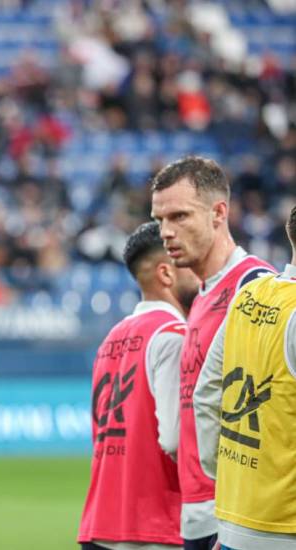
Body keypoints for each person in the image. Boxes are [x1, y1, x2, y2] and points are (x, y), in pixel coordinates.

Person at [150, 156, 274, 550]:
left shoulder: (254, 289)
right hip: (198, 513)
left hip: (231, 515)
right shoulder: (201, 296)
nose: (166, 232)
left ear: (219, 213)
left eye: (180, 216)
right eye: (159, 220)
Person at [78, 222, 200, 550]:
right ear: (166, 273)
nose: (199, 275)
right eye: (189, 265)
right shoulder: (174, 335)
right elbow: (174, 439)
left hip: (100, 523)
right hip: (154, 526)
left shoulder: (111, 338)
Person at [194, 205, 296, 550]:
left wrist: (223, 477)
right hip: (285, 525)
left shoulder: (247, 294)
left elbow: (206, 393)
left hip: (234, 517)